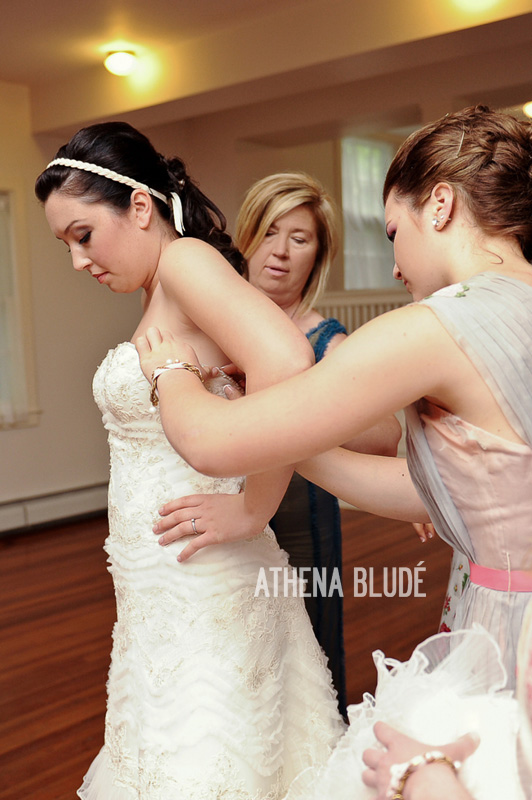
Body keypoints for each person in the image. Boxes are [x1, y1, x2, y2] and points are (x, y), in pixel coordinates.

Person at [135, 104, 532, 694]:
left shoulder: (435, 326)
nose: (395, 265)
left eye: (394, 232)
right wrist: (286, 433)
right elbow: (445, 490)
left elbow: (209, 443)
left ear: (442, 205)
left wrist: (170, 370)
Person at [35, 122, 345, 800]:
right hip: (159, 590)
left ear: (139, 207)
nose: (79, 261)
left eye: (83, 235)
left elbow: (288, 361)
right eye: (65, 245)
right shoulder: (163, 285)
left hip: (205, 582)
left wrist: (254, 506)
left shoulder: (184, 263)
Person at [156, 171, 401, 717]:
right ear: (246, 236)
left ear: (318, 255)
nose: (281, 252)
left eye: (300, 238)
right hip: (207, 520)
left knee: (306, 669)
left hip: (298, 524)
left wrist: (292, 399)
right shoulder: (199, 322)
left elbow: (386, 434)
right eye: (270, 232)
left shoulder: (324, 339)